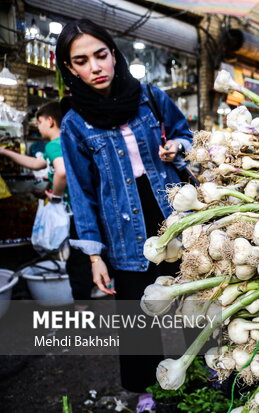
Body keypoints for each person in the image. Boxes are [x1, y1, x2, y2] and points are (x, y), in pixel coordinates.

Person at [56, 19, 192, 410]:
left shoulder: (150, 97)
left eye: (101, 55)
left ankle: (195, 373)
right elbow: (81, 193)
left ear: (114, 55)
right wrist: (94, 256)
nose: (95, 67)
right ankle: (145, 392)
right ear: (70, 69)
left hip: (173, 215)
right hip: (123, 230)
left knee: (188, 302)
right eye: (81, 60)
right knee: (138, 318)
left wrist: (178, 146)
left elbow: (184, 132)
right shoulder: (73, 123)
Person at [0, 102, 92, 304]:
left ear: (50, 121)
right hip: (82, 210)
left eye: (39, 122)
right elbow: (36, 164)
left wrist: (56, 196)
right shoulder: (67, 143)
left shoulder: (53, 145)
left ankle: (82, 310)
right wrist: (5, 152)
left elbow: (62, 172)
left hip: (72, 211)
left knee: (77, 262)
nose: (38, 127)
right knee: (82, 258)